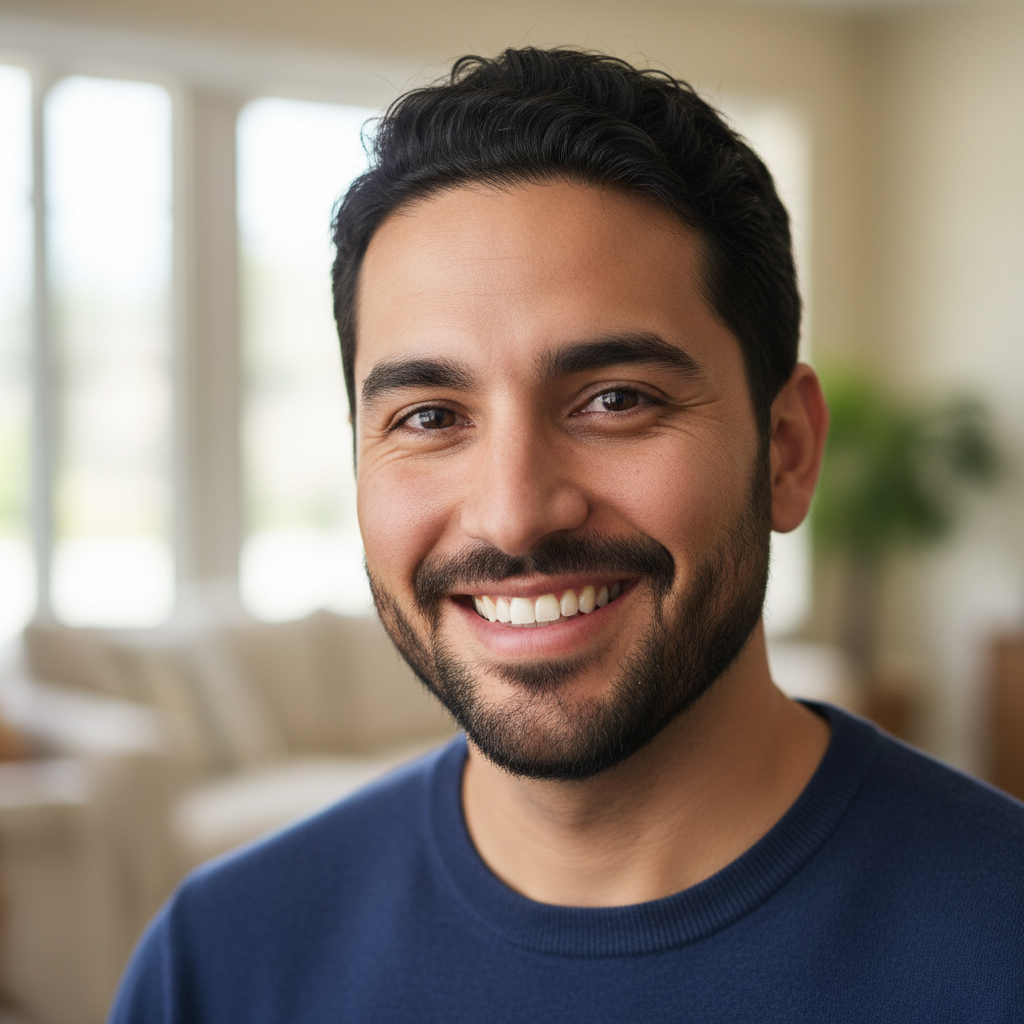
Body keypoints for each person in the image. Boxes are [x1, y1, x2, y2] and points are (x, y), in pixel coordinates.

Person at [110, 48, 1024, 1022]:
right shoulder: (218, 962)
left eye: (614, 400)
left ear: (786, 452)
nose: (512, 513)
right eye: (428, 416)